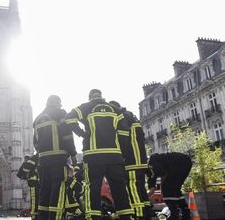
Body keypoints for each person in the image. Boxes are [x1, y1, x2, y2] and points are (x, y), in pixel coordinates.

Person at [65, 89, 134, 220]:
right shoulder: (115, 109)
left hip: (93, 155)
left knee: (93, 187)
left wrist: (82, 134)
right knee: (119, 187)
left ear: (90, 97)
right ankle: (125, 216)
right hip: (114, 156)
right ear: (101, 96)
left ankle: (94, 216)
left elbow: (69, 118)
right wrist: (122, 152)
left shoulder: (86, 107)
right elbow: (124, 132)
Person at [34, 95, 77, 220]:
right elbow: (67, 135)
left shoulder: (37, 119)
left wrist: (42, 152)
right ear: (56, 102)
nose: (61, 105)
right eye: (60, 102)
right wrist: (73, 154)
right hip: (58, 160)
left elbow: (35, 142)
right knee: (57, 191)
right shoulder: (60, 114)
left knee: (44, 192)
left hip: (42, 161)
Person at [110, 101, 152, 220]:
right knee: (141, 189)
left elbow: (122, 138)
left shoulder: (122, 117)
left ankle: (138, 215)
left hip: (131, 161)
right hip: (141, 161)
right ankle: (147, 213)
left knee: (133, 189)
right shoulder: (132, 117)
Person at [147, 152, 192, 220]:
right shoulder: (154, 166)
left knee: (167, 188)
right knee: (175, 189)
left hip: (178, 163)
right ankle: (186, 214)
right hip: (187, 161)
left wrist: (162, 188)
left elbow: (163, 174)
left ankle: (174, 214)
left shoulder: (151, 163)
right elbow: (153, 188)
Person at [16, 154, 40, 220]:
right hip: (39, 183)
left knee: (34, 201)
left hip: (34, 184)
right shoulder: (37, 159)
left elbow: (20, 173)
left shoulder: (28, 163)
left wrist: (25, 162)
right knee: (37, 200)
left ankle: (34, 216)